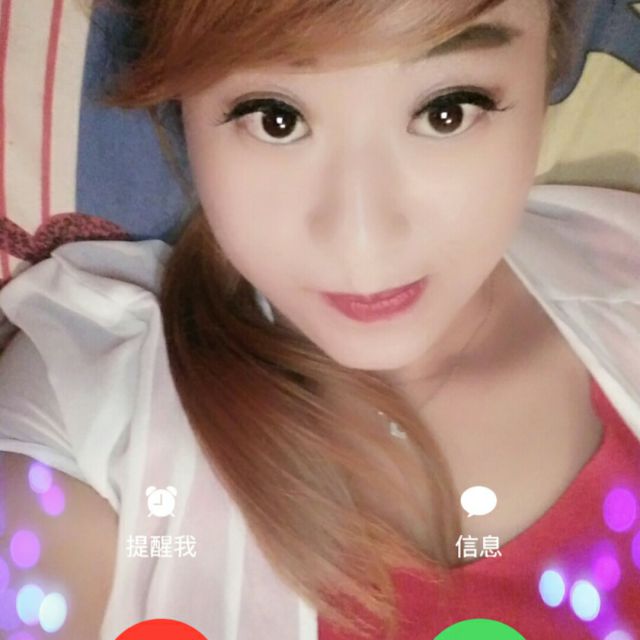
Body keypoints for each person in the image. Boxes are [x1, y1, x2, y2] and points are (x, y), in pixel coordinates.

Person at [0, 0, 639, 638]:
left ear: (547, 64)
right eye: (275, 119)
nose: (362, 241)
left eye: (446, 111)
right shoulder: (84, 399)